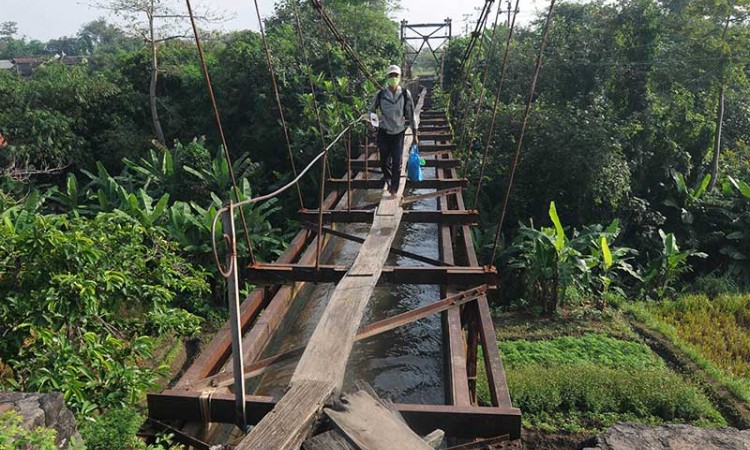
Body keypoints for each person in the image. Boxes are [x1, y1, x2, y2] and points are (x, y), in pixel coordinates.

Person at [368, 64, 418, 196]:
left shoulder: (405, 94)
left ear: (400, 77)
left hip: (398, 132)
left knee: (397, 162)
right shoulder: (381, 94)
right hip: (384, 132)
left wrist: (415, 133)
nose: (393, 78)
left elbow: (411, 114)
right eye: (391, 76)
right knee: (384, 163)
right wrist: (373, 123)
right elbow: (371, 110)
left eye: (396, 75)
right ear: (387, 77)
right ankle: (388, 180)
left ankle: (394, 189)